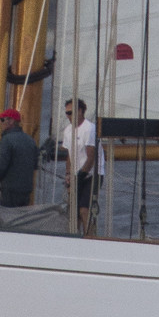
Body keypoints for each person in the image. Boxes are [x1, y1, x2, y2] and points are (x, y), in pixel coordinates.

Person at [61, 98, 101, 233]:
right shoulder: (68, 131)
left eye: (70, 112)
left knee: (84, 210)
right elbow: (69, 155)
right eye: (67, 113)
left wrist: (80, 176)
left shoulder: (89, 129)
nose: (68, 116)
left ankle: (90, 237)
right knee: (74, 212)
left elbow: (91, 158)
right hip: (77, 174)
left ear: (80, 111)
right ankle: (75, 238)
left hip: (92, 174)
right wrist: (68, 174)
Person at [0, 108, 39, 209]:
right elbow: (35, 165)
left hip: (10, 191)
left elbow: (0, 167)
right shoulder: (30, 140)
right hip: (26, 191)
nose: (1, 123)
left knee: (5, 216)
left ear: (11, 121)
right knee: (21, 216)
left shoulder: (7, 140)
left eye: (2, 120)